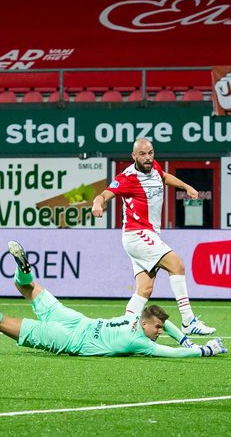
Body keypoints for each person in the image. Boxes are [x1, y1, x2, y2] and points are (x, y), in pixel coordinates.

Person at [0, 241, 227, 359]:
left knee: (26, 285)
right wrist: (203, 351)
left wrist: (183, 338)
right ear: (145, 324)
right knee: (1, 322)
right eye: (158, 329)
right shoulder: (139, 341)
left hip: (76, 320)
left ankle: (23, 269)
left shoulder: (133, 318)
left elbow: (163, 321)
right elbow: (172, 354)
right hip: (69, 339)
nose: (160, 332)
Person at [91, 138, 215, 335]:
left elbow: (163, 176)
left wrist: (186, 186)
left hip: (147, 234)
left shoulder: (154, 166)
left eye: (150, 153)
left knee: (145, 289)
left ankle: (123, 331)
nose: (147, 157)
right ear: (133, 156)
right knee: (176, 265)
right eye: (142, 154)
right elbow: (104, 194)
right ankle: (188, 321)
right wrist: (97, 203)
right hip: (137, 234)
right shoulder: (127, 178)